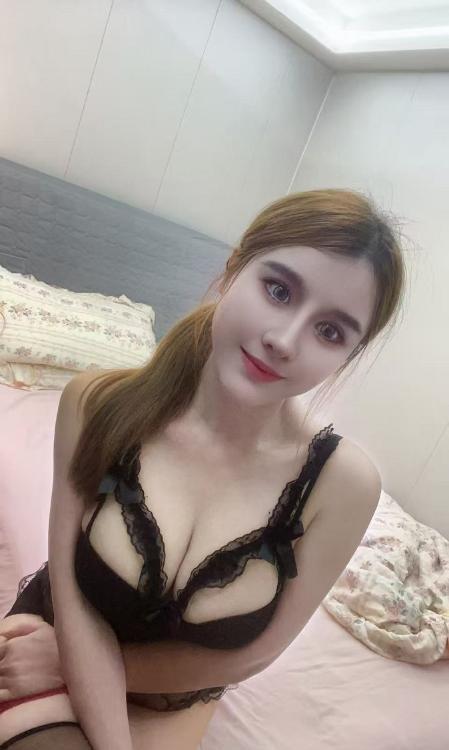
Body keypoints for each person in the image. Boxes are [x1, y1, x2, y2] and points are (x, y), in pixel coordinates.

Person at [0, 189, 406, 749]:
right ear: (233, 269)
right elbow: (72, 593)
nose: (283, 341)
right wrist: (67, 664)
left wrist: (78, 666)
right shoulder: (96, 405)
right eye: (278, 290)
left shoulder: (344, 487)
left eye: (330, 331)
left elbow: (255, 653)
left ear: (349, 355)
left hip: (169, 699)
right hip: (43, 647)